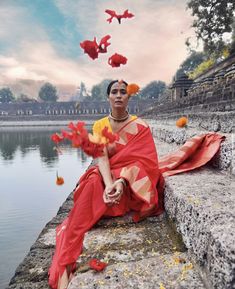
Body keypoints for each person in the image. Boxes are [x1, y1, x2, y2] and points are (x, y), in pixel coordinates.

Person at [48, 80, 224, 289]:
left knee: (133, 172)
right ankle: (68, 256)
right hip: (110, 175)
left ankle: (105, 203)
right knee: (92, 181)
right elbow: (101, 158)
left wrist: (122, 181)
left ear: (128, 97)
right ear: (108, 97)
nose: (119, 95)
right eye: (115, 92)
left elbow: (145, 163)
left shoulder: (141, 127)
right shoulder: (99, 125)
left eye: (123, 92)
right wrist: (109, 184)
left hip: (132, 181)